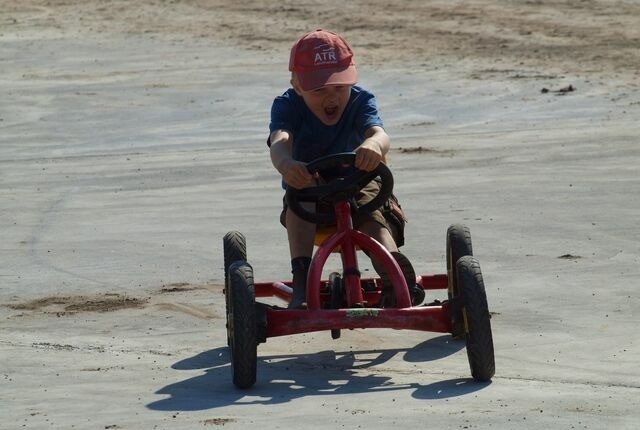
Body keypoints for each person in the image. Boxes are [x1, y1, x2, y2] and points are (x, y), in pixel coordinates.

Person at [267, 29, 424, 309]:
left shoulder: (360, 100)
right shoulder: (287, 106)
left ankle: (394, 272)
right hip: (313, 192)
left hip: (360, 181)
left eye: (340, 87)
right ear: (297, 85)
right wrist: (286, 164)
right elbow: (280, 141)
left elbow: (379, 133)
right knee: (301, 193)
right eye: (319, 90)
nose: (331, 97)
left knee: (370, 213)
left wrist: (374, 145)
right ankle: (301, 281)